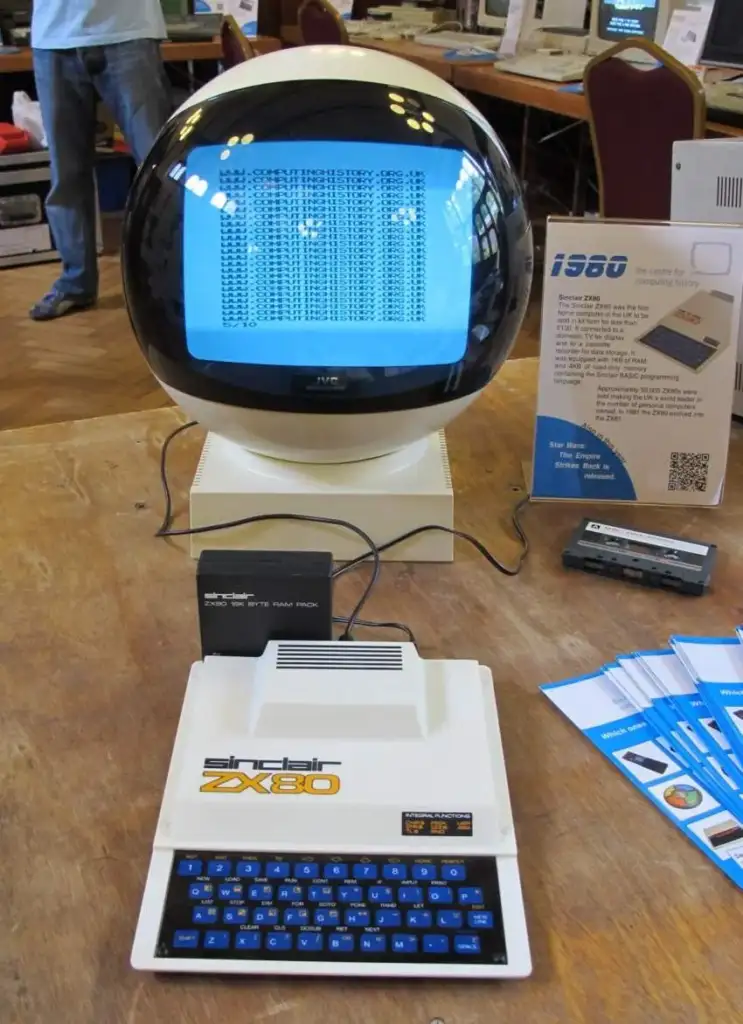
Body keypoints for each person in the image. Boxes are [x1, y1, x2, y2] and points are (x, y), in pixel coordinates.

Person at [29, 1, 173, 321]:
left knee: (159, 169)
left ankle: (173, 280)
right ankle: (75, 282)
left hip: (128, 34)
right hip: (54, 39)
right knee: (66, 173)